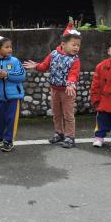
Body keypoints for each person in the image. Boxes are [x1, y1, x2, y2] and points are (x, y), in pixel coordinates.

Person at [24, 20, 82, 149]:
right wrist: (36, 66)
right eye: (74, 45)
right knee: (56, 113)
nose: (76, 48)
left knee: (68, 114)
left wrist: (70, 83)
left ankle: (70, 137)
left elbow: (74, 74)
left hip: (68, 90)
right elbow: (44, 66)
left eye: (78, 45)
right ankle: (59, 133)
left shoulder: (75, 59)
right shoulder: (53, 54)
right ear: (63, 44)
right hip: (55, 89)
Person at [0, 30, 26, 152]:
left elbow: (22, 75)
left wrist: (7, 75)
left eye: (10, 47)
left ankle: (8, 140)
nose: (10, 49)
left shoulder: (15, 61)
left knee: (11, 119)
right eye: (7, 47)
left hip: (14, 96)